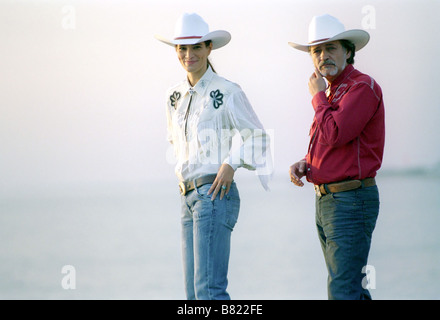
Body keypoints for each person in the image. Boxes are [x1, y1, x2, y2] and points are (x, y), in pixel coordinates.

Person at [155, 13, 272, 300]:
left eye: (196, 47)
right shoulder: (174, 96)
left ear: (209, 48)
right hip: (187, 197)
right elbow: (175, 141)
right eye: (182, 48)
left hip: (214, 193)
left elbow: (258, 136)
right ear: (176, 51)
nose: (188, 54)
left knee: (209, 292)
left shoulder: (227, 91)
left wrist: (231, 163)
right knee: (193, 297)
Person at [288, 14, 385, 300]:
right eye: (316, 50)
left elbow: (336, 133)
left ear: (348, 51)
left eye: (331, 48)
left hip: (350, 201)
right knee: (351, 288)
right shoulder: (333, 92)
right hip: (329, 201)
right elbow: (332, 142)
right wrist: (308, 161)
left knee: (343, 290)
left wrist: (317, 97)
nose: (323, 56)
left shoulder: (361, 87)